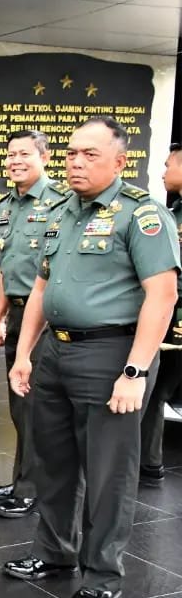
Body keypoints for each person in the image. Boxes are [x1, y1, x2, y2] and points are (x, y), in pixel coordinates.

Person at [6, 116, 179, 598]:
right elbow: (41, 287)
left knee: (107, 473)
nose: (76, 162)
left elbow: (162, 296)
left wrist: (135, 372)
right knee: (52, 460)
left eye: (90, 155)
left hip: (110, 355)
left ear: (120, 162)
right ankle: (54, 551)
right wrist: (24, 353)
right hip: (55, 352)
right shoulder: (62, 211)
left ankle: (102, 574)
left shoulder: (140, 215)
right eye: (71, 153)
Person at [0, 130, 69, 518]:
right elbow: (7, 267)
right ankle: (21, 477)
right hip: (17, 313)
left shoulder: (62, 203)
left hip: (43, 317)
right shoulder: (6, 206)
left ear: (44, 157)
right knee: (19, 405)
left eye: (24, 154)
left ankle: (32, 487)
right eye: (10, 154)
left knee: (34, 405)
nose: (15, 161)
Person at [139, 142, 182, 488]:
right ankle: (149, 463)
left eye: (169, 165)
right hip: (169, 314)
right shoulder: (173, 211)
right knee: (154, 392)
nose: (163, 171)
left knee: (158, 389)